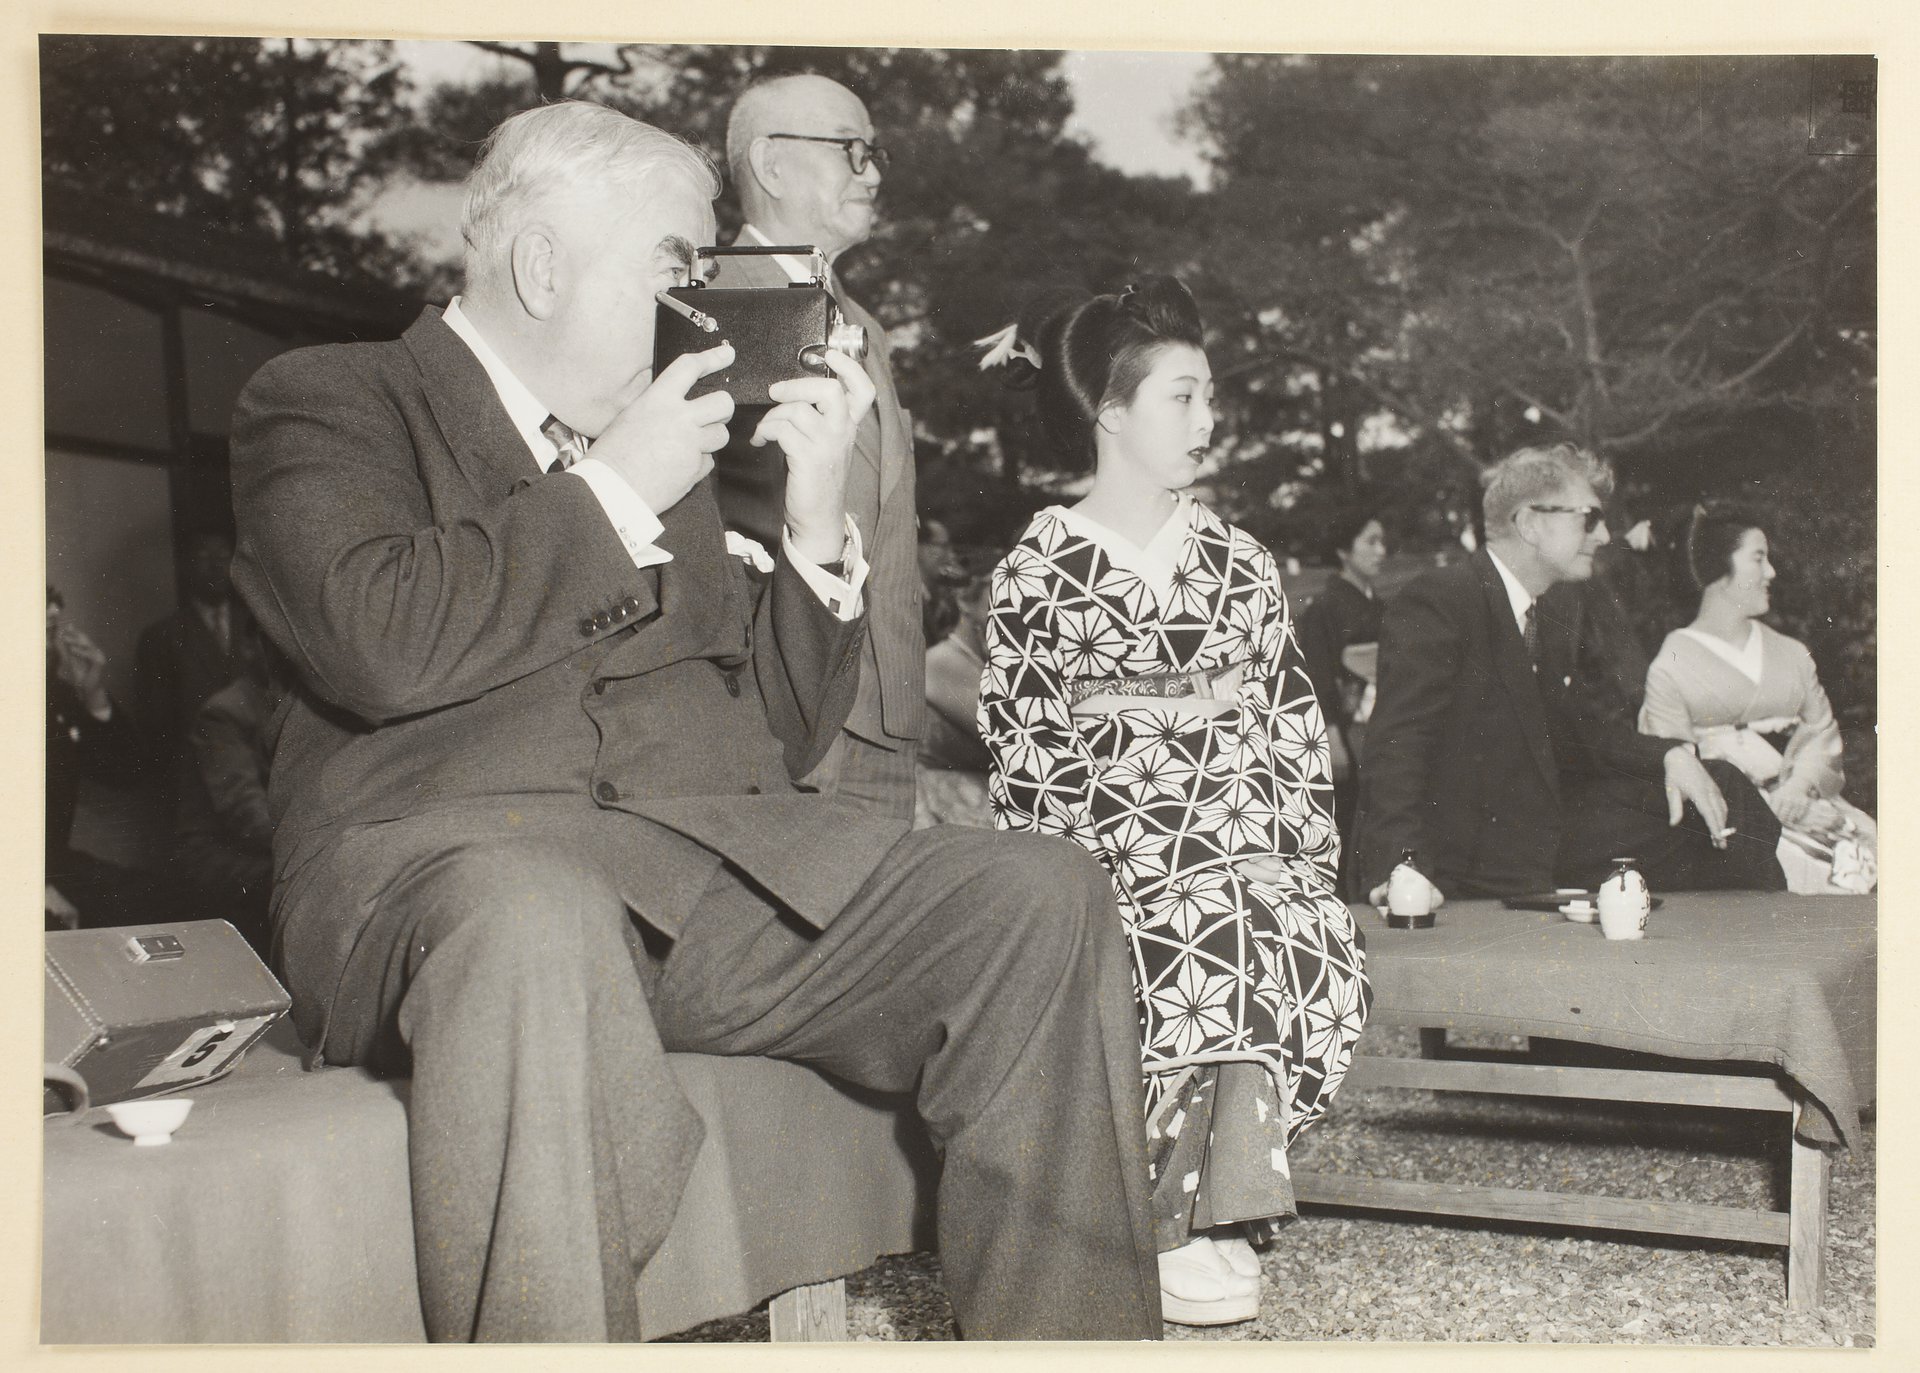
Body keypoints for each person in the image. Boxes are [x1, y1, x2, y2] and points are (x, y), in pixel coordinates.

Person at [228, 101, 1159, 1343]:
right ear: (543, 265)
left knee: (1038, 892)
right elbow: (375, 638)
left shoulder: (667, 453)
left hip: (686, 897)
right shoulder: (335, 400)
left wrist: (816, 533)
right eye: (678, 265)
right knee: (535, 919)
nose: (702, 310)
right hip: (441, 889)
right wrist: (618, 485)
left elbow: (770, 740)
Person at [976, 277, 1371, 1327]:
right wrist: (1099, 868)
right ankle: (1188, 1222)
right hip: (1112, 857)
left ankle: (1208, 1214)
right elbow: (1029, 752)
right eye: (1182, 398)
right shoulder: (1036, 571)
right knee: (1200, 928)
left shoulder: (1244, 563)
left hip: (1246, 847)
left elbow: (1289, 723)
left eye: (1209, 396)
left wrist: (1295, 855)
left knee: (1270, 916)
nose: (1208, 420)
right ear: (1111, 414)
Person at [1353, 443, 1785, 907]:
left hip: (1539, 828)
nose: (1603, 536)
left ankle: (1762, 943)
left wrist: (1670, 757)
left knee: (1720, 786)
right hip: (1471, 857)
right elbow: (1397, 746)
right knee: (1712, 827)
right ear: (1530, 524)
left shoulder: (1549, 610)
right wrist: (1400, 869)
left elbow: (1580, 733)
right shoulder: (1442, 599)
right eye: (1589, 519)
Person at [711, 74, 923, 823]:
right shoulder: (705, 305)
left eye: (874, 154)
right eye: (850, 150)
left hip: (884, 724)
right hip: (782, 718)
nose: (870, 173)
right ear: (770, 165)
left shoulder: (866, 325)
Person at [1639, 503, 1875, 894]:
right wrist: (1768, 807)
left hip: (1812, 804)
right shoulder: (1670, 666)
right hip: (1734, 828)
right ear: (1717, 570)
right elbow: (1677, 766)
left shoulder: (1792, 653)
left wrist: (1799, 790)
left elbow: (1822, 733)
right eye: (1758, 559)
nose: (1771, 572)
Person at [46, 586, 167, 929]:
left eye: (54, 599)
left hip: (52, 866)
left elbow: (126, 773)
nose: (54, 609)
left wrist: (94, 695)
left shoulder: (54, 694)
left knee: (172, 900)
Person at [169, 610, 286, 956]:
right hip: (220, 859)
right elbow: (246, 816)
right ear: (250, 647)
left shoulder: (294, 708)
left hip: (271, 851)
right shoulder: (225, 713)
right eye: (275, 644)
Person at [1296, 510, 1387, 836]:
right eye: (1371, 541)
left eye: (1383, 542)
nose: (1381, 551)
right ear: (1343, 550)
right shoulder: (1324, 608)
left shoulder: (1380, 605)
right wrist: (1331, 737)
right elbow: (1317, 676)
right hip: (1348, 731)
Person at [136, 528, 246, 775]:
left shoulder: (258, 627)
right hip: (194, 780)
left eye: (223, 556)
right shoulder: (160, 637)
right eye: (204, 556)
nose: (215, 565)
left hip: (258, 778)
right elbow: (156, 727)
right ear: (187, 565)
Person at [914, 557, 994, 829]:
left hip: (971, 808)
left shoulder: (982, 661)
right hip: (940, 812)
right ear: (966, 601)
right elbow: (1012, 734)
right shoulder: (943, 662)